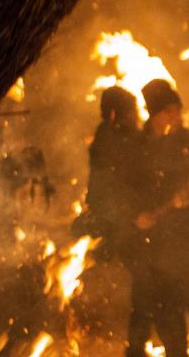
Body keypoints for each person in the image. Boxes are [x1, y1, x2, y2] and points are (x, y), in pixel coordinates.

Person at [128, 79, 189, 357]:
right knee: (171, 331)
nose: (176, 117)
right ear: (153, 114)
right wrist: (139, 215)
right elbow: (128, 188)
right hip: (158, 255)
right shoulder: (139, 148)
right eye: (168, 111)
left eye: (177, 110)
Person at [78, 86, 143, 260]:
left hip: (112, 214)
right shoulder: (117, 139)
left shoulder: (104, 133)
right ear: (114, 115)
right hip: (119, 218)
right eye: (131, 112)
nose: (136, 116)